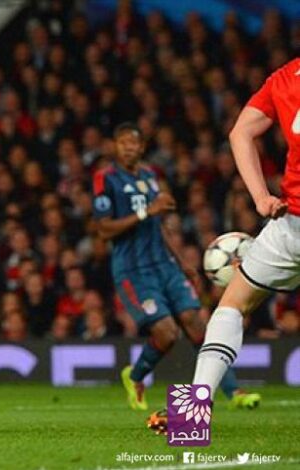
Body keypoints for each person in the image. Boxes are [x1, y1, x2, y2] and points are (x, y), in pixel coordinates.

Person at [92, 122, 259, 412]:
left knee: (196, 324)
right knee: (167, 333)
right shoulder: (105, 178)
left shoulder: (149, 176)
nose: (128, 147)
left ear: (142, 147)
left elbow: (158, 226)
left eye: (133, 142)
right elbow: (104, 229)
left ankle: (234, 392)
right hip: (133, 270)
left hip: (165, 265)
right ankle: (135, 377)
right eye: (123, 142)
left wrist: (183, 262)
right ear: (115, 146)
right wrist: (146, 212)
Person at [192, 58, 300, 400]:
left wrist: (261, 197)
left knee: (231, 307)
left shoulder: (284, 77)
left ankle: (191, 413)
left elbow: (239, 132)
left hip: (291, 225)